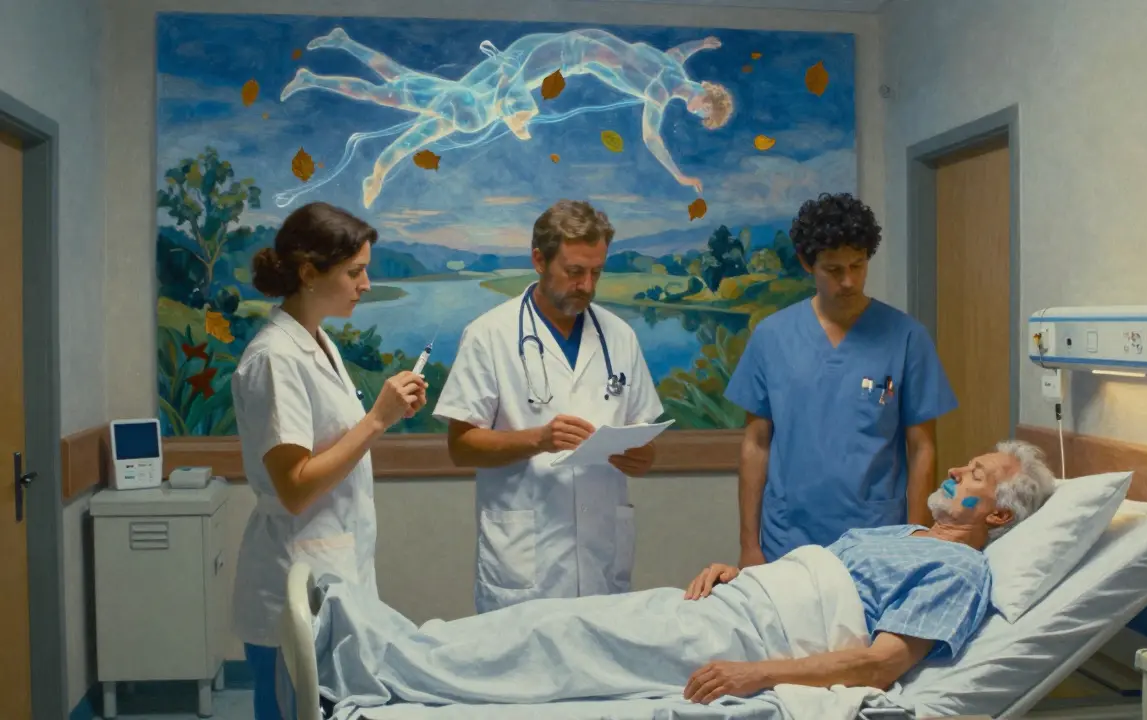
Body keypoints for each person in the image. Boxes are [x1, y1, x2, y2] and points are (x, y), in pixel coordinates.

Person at [310, 440, 1057, 717]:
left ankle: (376, 661)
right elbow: (824, 579)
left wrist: (756, 674)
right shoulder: (908, 533)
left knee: (557, 637)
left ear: (997, 515)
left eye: (975, 475)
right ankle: (382, 650)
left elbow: (882, 664)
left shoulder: (959, 568)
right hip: (734, 600)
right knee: (552, 625)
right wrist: (743, 570)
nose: (956, 471)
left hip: (750, 638)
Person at [230, 201, 428, 720]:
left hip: (333, 570)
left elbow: (332, 446)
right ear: (308, 273)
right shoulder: (275, 358)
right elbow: (294, 487)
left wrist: (385, 415)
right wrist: (377, 419)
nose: (366, 284)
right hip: (292, 581)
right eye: (354, 272)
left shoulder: (318, 343)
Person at [432, 199, 665, 614]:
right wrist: (538, 439)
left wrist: (641, 457)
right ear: (539, 260)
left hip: (602, 558)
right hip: (524, 569)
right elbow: (461, 446)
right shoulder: (489, 335)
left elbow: (644, 443)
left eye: (596, 272)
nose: (587, 286)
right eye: (574, 271)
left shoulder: (620, 337)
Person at [725, 192, 959, 569]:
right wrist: (749, 545)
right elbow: (756, 443)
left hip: (879, 537)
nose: (849, 281)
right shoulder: (771, 337)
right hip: (788, 536)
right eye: (833, 270)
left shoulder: (906, 337)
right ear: (807, 264)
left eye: (858, 265)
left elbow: (922, 448)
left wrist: (916, 540)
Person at [280, 27, 733, 207]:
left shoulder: (673, 69)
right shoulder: (661, 89)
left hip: (540, 56)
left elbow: (678, 52)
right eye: (703, 113)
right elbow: (651, 138)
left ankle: (337, 52)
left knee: (402, 96)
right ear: (705, 101)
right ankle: (320, 69)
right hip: (553, 53)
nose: (696, 115)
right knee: (392, 93)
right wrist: (679, 175)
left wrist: (703, 45)